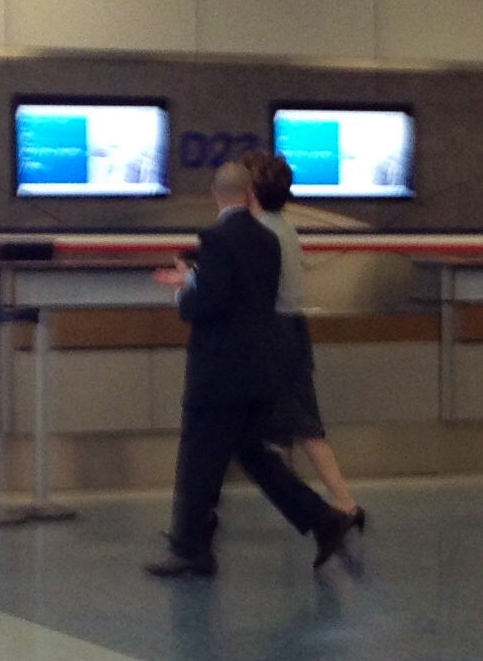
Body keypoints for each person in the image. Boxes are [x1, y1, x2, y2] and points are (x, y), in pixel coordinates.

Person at [143, 163, 356, 578]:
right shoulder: (267, 240)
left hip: (219, 370)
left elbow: (211, 304)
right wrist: (199, 279)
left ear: (215, 194)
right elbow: (246, 296)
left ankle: (191, 549)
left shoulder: (217, 239)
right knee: (253, 454)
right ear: (249, 194)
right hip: (259, 368)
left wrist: (186, 289)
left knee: (198, 456)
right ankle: (323, 519)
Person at [240, 151, 365, 528]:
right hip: (289, 335)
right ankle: (343, 504)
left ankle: (342, 505)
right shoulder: (282, 227)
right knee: (299, 427)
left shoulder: (263, 233)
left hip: (276, 339)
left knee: (298, 428)